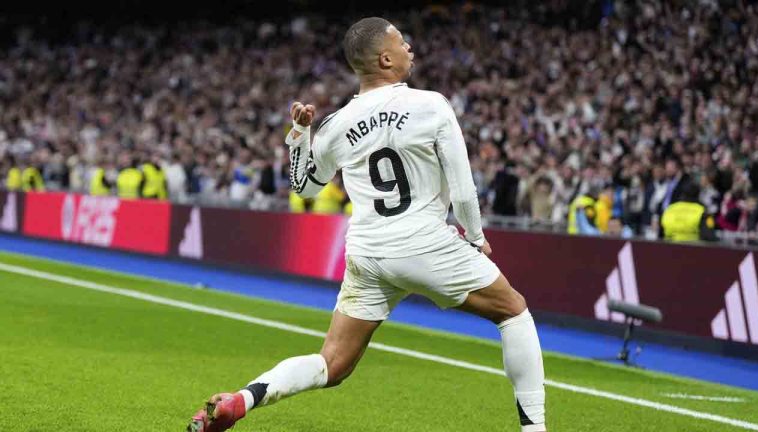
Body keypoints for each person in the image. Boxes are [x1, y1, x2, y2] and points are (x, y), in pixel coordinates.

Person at [188, 17, 546, 432]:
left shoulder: (337, 123)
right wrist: (476, 237)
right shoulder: (431, 104)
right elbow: (463, 189)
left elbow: (302, 187)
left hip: (368, 252)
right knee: (514, 312)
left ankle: (242, 400)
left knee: (332, 363)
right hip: (424, 240)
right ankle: (534, 429)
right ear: (384, 57)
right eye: (402, 42)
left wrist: (300, 136)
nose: (410, 48)